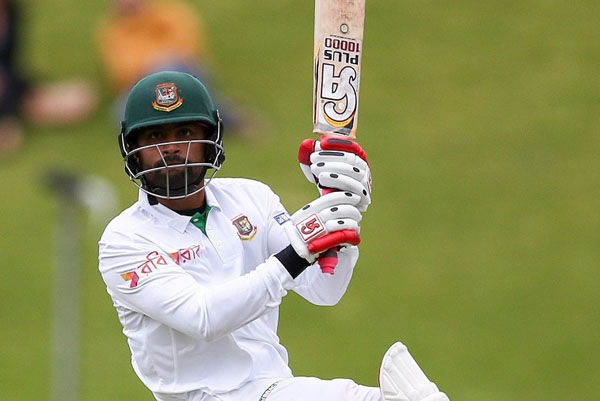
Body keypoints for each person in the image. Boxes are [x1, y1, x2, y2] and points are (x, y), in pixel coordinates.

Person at [98, 70, 449, 401]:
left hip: (275, 387)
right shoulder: (124, 240)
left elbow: (324, 289)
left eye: (186, 133)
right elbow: (204, 317)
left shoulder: (252, 198)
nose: (171, 148)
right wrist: (298, 250)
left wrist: (342, 215)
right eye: (155, 137)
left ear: (211, 140)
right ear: (132, 149)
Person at [96, 0, 248, 134]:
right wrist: (154, 64)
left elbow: (187, 50)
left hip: (182, 72)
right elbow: (121, 72)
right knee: (122, 114)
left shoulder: (171, 15)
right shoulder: (114, 31)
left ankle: (215, 118)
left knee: (171, 71)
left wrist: (158, 64)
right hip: (141, 85)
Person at [0, 0, 97, 156]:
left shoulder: (12, 12)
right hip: (8, 92)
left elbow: (10, 66)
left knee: (81, 100)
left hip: (12, 87)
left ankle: (23, 108)